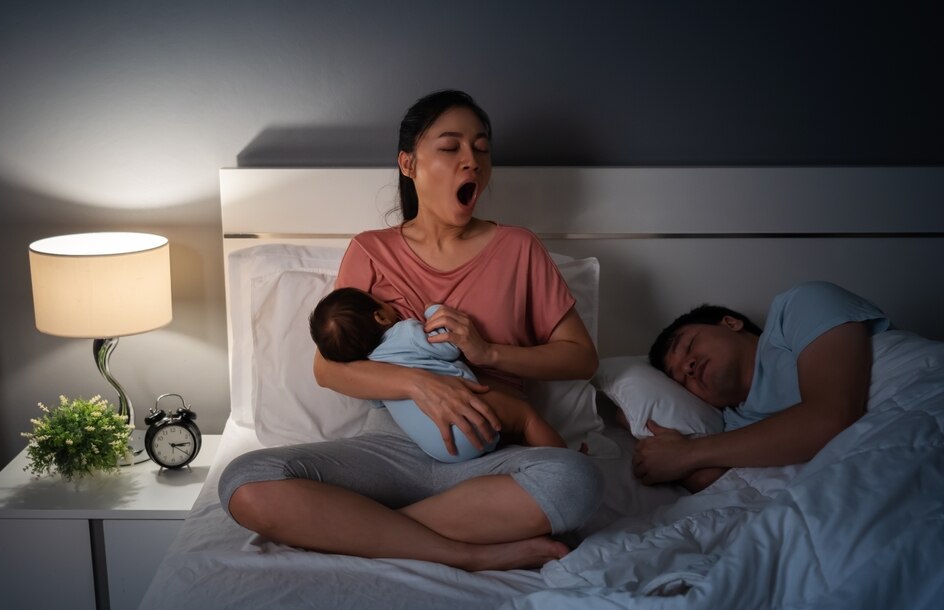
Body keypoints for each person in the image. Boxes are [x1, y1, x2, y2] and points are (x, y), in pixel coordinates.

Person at [218, 89, 603, 571]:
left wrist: (488, 353)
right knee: (246, 480)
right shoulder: (372, 250)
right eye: (451, 147)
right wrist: (420, 384)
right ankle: (461, 552)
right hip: (390, 447)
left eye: (481, 149)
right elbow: (329, 369)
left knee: (576, 480)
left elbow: (580, 358)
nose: (472, 161)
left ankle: (359, 527)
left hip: (490, 450)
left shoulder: (518, 247)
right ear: (408, 163)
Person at [633, 280, 890, 493]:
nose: (688, 367)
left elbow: (832, 415)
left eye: (689, 346)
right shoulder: (734, 424)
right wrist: (633, 422)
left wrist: (687, 453)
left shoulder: (799, 308)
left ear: (731, 323)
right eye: (681, 380)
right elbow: (712, 483)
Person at [309, 286, 567, 462]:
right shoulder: (405, 332)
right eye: (380, 301)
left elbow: (379, 401)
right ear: (380, 316)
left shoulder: (369, 367)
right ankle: (569, 461)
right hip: (465, 419)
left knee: (505, 422)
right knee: (526, 417)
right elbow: (448, 348)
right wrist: (434, 311)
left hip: (439, 449)